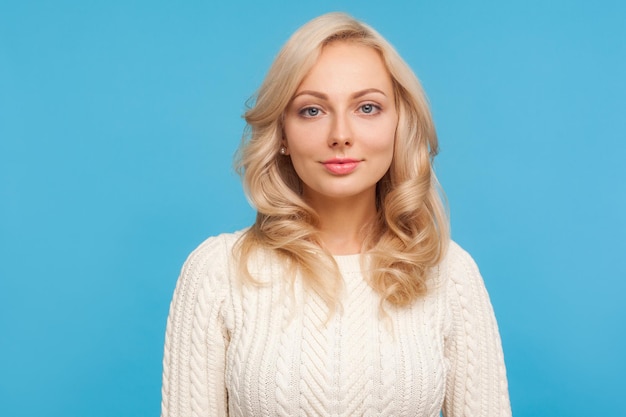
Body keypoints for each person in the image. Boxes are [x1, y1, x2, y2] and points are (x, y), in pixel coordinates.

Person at [160, 12, 511, 417]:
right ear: (282, 135)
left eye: (367, 107)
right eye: (312, 110)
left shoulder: (450, 274)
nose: (340, 134)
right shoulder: (217, 271)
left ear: (400, 124)